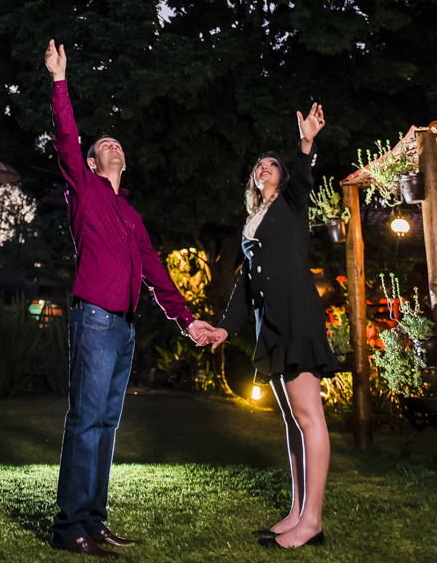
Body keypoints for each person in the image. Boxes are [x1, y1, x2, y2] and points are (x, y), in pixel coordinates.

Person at [45, 40, 213, 557]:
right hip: (95, 320)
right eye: (104, 143)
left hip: (123, 328)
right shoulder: (83, 189)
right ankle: (69, 527)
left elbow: (156, 273)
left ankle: (95, 522)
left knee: (106, 424)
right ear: (92, 161)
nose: (113, 145)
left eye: (118, 143)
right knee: (86, 421)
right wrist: (59, 81)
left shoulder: (133, 216)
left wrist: (187, 321)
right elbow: (67, 139)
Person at [205, 104, 338, 550]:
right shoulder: (252, 223)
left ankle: (312, 522)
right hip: (271, 325)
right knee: (291, 420)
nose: (265, 166)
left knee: (309, 416)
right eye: (260, 164)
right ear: (253, 180)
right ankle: (297, 511)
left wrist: (306, 143)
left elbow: (304, 177)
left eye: (272, 164)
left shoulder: (292, 203)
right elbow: (245, 284)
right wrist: (226, 329)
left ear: (282, 176)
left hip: (297, 315)